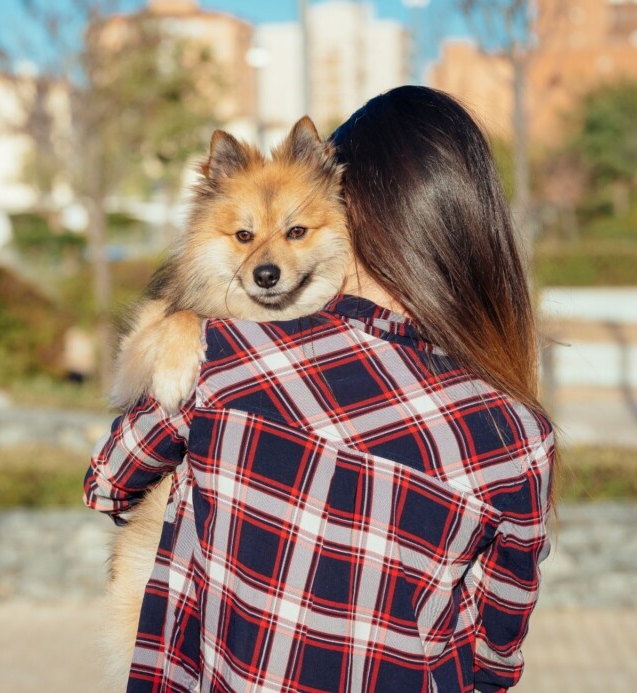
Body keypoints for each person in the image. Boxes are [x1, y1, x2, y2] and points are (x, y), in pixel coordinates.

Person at [84, 85, 555, 693]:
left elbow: (108, 482)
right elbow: (494, 659)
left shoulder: (223, 362)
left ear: (353, 212)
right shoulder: (518, 434)